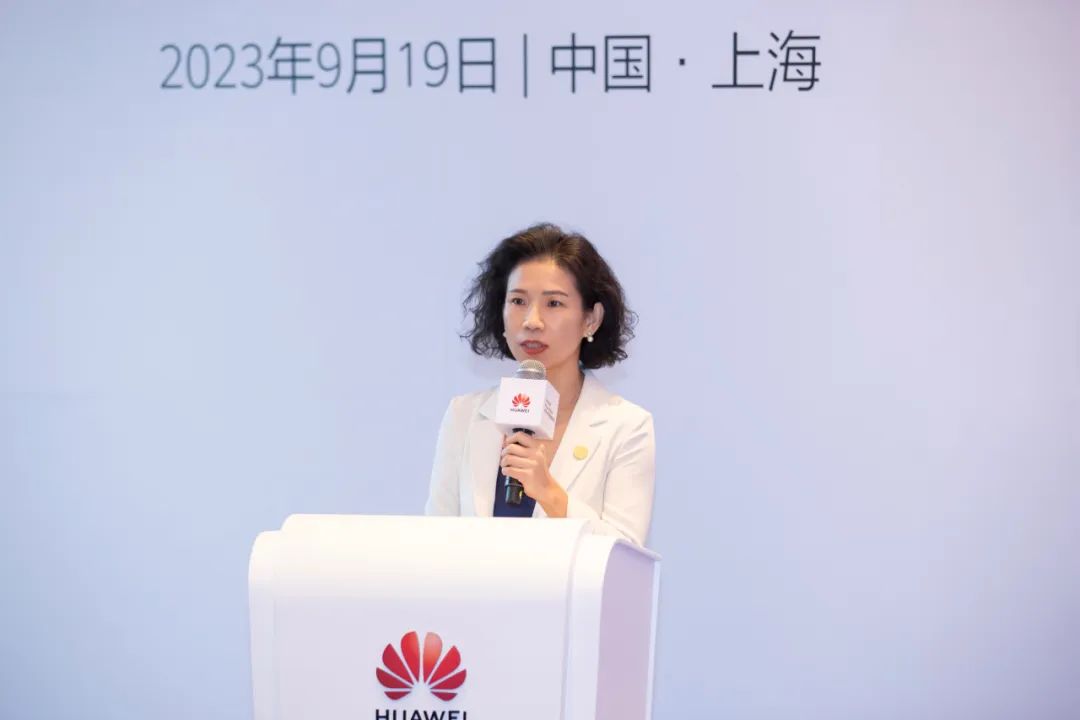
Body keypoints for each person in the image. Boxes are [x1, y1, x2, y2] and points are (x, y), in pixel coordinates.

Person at [424, 223, 656, 547]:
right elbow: (434, 541)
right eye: (518, 301)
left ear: (591, 319)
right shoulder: (464, 415)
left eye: (554, 304)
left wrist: (549, 493)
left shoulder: (626, 426)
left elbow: (626, 556)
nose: (532, 321)